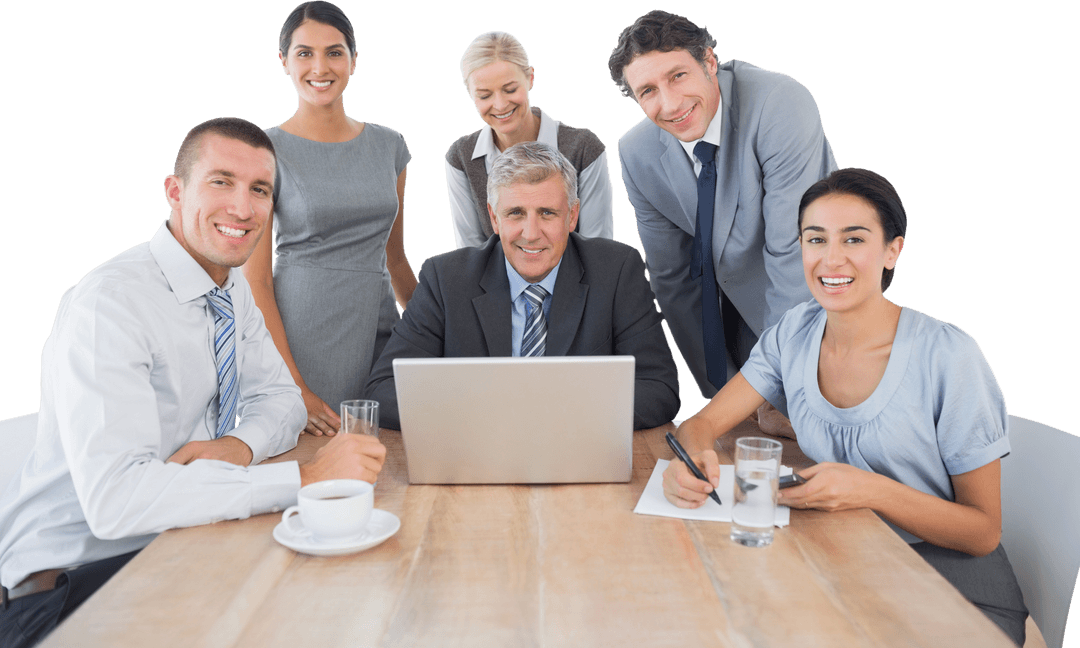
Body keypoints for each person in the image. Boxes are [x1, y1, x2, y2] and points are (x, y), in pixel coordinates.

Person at [0, 117, 386, 648]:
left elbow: (280, 399)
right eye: (221, 181)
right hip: (65, 593)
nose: (243, 208)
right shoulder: (111, 306)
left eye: (260, 190)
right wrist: (305, 480)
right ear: (175, 192)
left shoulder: (229, 290)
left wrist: (235, 447)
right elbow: (117, 502)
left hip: (173, 542)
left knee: (341, 594)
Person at [662, 168, 1027, 645]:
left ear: (892, 249)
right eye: (816, 239)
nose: (831, 259)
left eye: (854, 239)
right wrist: (690, 461)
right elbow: (704, 422)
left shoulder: (947, 355)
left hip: (951, 588)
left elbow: (982, 532)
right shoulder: (795, 331)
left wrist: (869, 491)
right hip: (849, 559)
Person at [609, 10, 838, 432]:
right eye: (648, 91)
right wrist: (727, 391)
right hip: (737, 328)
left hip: (817, 323)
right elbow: (673, 280)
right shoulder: (636, 152)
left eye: (678, 76)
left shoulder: (778, 103)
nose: (670, 103)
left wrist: (778, 390)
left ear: (710, 62)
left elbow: (794, 257)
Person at [366, 142, 679, 430]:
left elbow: (659, 389)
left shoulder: (616, 271)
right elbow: (384, 389)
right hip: (478, 457)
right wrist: (493, 411)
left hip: (575, 455)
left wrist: (552, 412)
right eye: (515, 213)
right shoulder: (446, 279)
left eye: (547, 213)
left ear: (571, 216)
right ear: (494, 218)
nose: (531, 233)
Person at [244, 0, 418, 437]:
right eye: (304, 53)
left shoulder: (389, 145)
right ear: (284, 62)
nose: (320, 66)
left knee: (387, 451)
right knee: (317, 457)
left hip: (377, 324)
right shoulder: (265, 149)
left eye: (334, 52)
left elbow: (395, 259)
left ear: (353, 61)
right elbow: (256, 280)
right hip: (304, 332)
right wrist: (294, 385)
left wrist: (440, 332)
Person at [446, 31, 614, 249]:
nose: (500, 105)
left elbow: (598, 250)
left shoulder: (583, 148)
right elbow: (470, 255)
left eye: (510, 89)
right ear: (470, 93)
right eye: (485, 95)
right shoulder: (462, 156)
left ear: (530, 78)